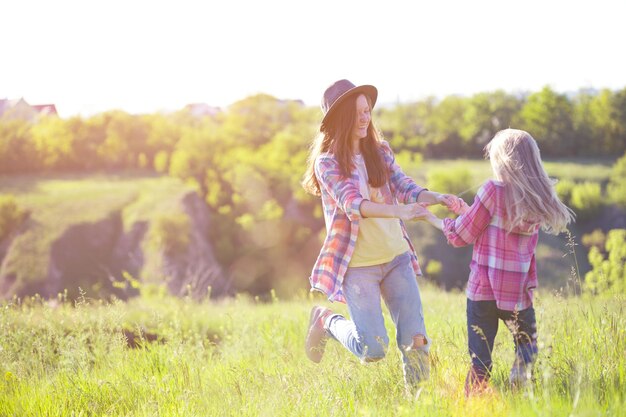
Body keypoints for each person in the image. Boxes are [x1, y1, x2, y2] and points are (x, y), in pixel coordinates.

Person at [301, 79, 462, 388]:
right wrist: (399, 211)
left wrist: (436, 198)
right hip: (359, 268)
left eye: (368, 111)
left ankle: (418, 406)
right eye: (358, 112)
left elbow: (404, 186)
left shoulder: (380, 151)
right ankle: (326, 320)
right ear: (341, 118)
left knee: (416, 340)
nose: (365, 118)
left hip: (396, 258)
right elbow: (353, 204)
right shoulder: (328, 164)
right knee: (372, 349)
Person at [418, 128, 575, 395]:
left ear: (502, 160)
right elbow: (495, 224)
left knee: (480, 363)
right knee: (527, 346)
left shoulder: (492, 190)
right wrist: (466, 210)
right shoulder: (537, 197)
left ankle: (474, 404)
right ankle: (520, 380)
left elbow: (460, 235)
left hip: (483, 293)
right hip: (517, 294)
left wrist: (428, 218)